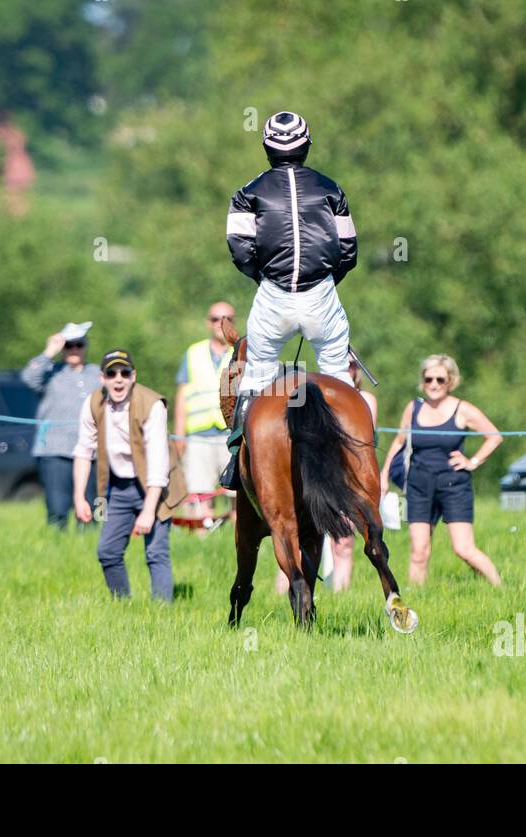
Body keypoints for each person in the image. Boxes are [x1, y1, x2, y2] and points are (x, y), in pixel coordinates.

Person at [222, 110, 357, 490]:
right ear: (307, 146)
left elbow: (239, 248)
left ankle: (237, 459)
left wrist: (264, 279)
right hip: (321, 295)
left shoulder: (247, 192)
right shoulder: (332, 188)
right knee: (338, 377)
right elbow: (349, 250)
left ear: (267, 148)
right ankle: (356, 454)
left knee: (256, 380)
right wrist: (326, 284)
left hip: (273, 296)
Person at [73, 350, 188, 601]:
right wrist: (80, 496)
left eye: (124, 373)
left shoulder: (152, 404)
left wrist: (148, 511)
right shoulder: (93, 403)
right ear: (102, 378)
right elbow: (83, 450)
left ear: (133, 376)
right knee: (108, 551)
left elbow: (158, 462)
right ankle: (122, 605)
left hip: (157, 486)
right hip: (118, 486)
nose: (118, 379)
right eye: (111, 373)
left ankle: (160, 615)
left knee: (156, 552)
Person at [379, 354, 502, 586]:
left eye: (440, 379)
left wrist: (472, 462)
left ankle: (500, 588)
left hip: (454, 484)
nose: (434, 384)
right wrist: (384, 474)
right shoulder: (413, 408)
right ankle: (417, 602)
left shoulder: (462, 409)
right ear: (422, 382)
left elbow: (494, 437)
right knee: (418, 552)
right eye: (428, 379)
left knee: (464, 549)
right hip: (418, 484)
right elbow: (398, 442)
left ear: (451, 382)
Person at [274, 356, 378, 595]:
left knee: (343, 542)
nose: (347, 368)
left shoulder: (365, 400)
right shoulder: (317, 398)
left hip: (346, 478)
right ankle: (282, 594)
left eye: (351, 364)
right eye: (342, 362)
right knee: (293, 537)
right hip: (314, 474)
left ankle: (340, 595)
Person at [21, 321, 101, 529]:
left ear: (85, 346)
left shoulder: (96, 374)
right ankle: (57, 546)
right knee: (58, 508)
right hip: (56, 451)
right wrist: (49, 352)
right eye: (69, 345)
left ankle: (89, 548)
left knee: (91, 510)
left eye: (79, 344)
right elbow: (28, 377)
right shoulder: (51, 373)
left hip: (92, 450)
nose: (74, 349)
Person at [175, 302, 236, 517]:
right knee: (199, 497)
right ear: (207, 323)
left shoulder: (241, 353)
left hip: (232, 437)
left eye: (227, 318)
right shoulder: (193, 353)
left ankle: (236, 547)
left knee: (237, 497)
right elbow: (182, 397)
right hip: (199, 438)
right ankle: (201, 547)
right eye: (215, 319)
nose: (221, 324)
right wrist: (180, 438)